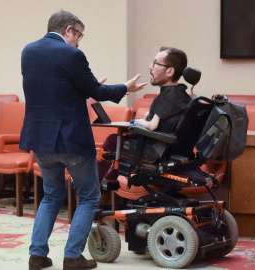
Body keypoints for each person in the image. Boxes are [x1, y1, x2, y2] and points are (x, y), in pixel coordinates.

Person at [20, 10, 146, 270]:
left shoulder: (28, 51)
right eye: (79, 35)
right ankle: (72, 257)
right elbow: (98, 91)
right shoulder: (72, 53)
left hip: (40, 139)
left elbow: (53, 91)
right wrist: (125, 88)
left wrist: (83, 87)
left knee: (51, 196)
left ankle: (37, 255)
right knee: (89, 196)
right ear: (68, 30)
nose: (79, 41)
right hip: (70, 140)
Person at [98, 46, 190, 182]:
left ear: (170, 71)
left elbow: (152, 126)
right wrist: (148, 115)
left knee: (112, 141)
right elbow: (167, 116)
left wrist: (140, 122)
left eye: (155, 63)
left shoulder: (167, 95)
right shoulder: (183, 95)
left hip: (155, 152)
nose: (150, 67)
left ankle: (96, 183)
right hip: (171, 151)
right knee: (124, 137)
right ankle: (109, 177)